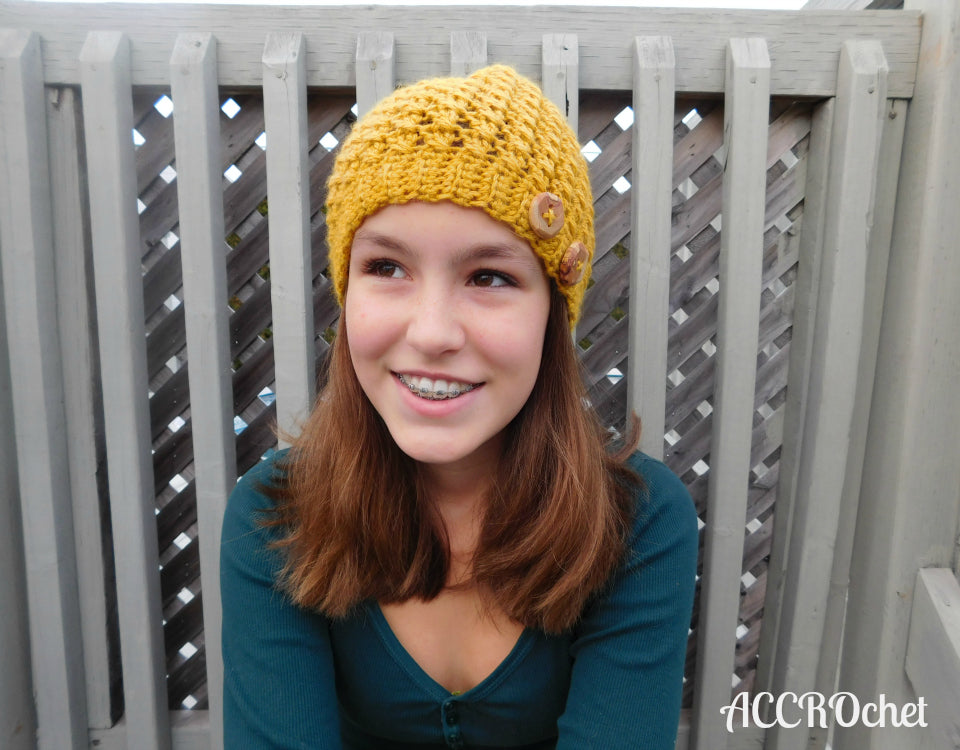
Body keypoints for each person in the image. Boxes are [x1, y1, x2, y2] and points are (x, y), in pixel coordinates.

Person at [220, 64, 698, 750]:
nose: (432, 332)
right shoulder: (276, 516)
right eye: (386, 267)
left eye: (489, 276)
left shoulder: (637, 523)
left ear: (552, 312)